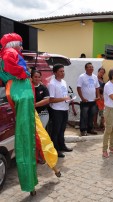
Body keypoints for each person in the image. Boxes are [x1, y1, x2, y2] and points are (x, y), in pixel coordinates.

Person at [0, 33, 37, 194]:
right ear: (14, 44)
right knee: (25, 138)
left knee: (26, 137)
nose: (21, 47)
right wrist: (24, 73)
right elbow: (10, 66)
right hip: (20, 92)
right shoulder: (10, 53)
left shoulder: (11, 53)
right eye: (20, 44)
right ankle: (29, 182)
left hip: (20, 92)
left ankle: (30, 182)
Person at [48, 64, 73, 158]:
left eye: (63, 71)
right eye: (60, 71)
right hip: (56, 110)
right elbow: (51, 99)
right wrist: (63, 99)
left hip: (64, 108)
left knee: (62, 129)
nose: (63, 73)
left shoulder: (63, 82)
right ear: (55, 73)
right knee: (56, 130)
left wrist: (69, 99)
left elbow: (64, 95)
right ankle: (56, 149)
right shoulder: (52, 83)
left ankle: (62, 146)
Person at [77, 62, 100, 136]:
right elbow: (78, 88)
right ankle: (83, 130)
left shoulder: (95, 77)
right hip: (85, 101)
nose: (91, 68)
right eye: (89, 67)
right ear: (85, 68)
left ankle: (90, 129)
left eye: (92, 67)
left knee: (91, 115)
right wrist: (82, 98)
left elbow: (97, 87)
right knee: (84, 116)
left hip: (93, 100)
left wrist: (98, 96)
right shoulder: (82, 77)